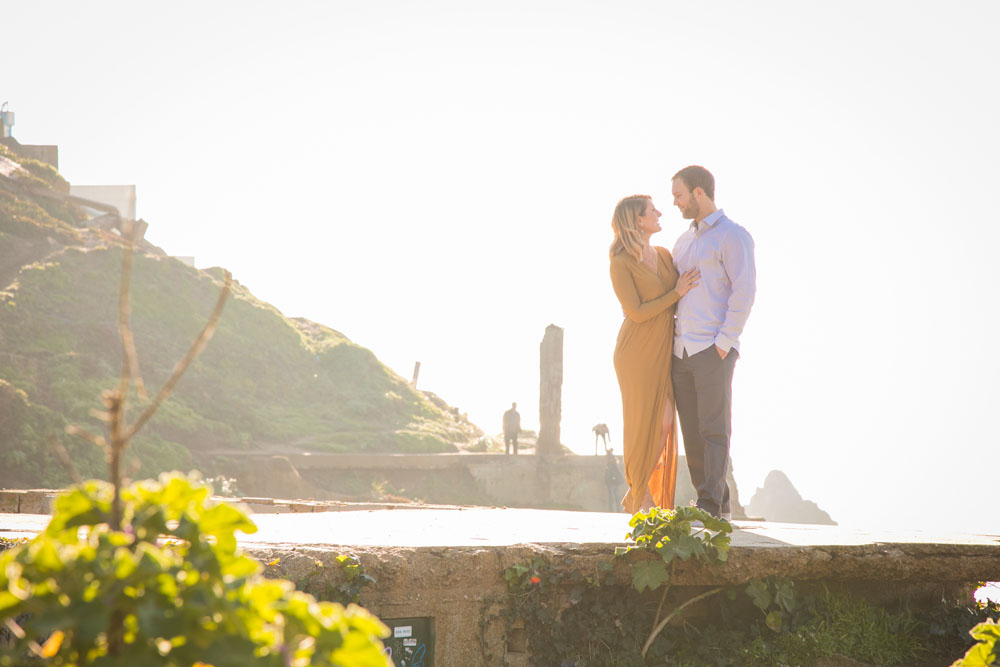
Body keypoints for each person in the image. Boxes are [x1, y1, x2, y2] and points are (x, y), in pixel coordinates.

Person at [669, 166, 756, 520]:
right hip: (680, 351)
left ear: (699, 193)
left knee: (714, 428)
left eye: (679, 195)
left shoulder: (733, 236)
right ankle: (716, 505)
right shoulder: (683, 241)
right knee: (691, 430)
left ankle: (708, 506)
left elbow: (745, 291)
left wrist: (723, 342)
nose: (675, 203)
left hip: (712, 349)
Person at [610, 194, 700, 514]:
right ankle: (641, 497)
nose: (659, 213)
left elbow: (684, 294)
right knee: (639, 424)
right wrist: (676, 293)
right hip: (635, 352)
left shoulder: (663, 255)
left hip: (662, 350)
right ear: (638, 221)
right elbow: (635, 311)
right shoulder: (620, 263)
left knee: (663, 422)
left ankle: (635, 491)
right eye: (652, 211)